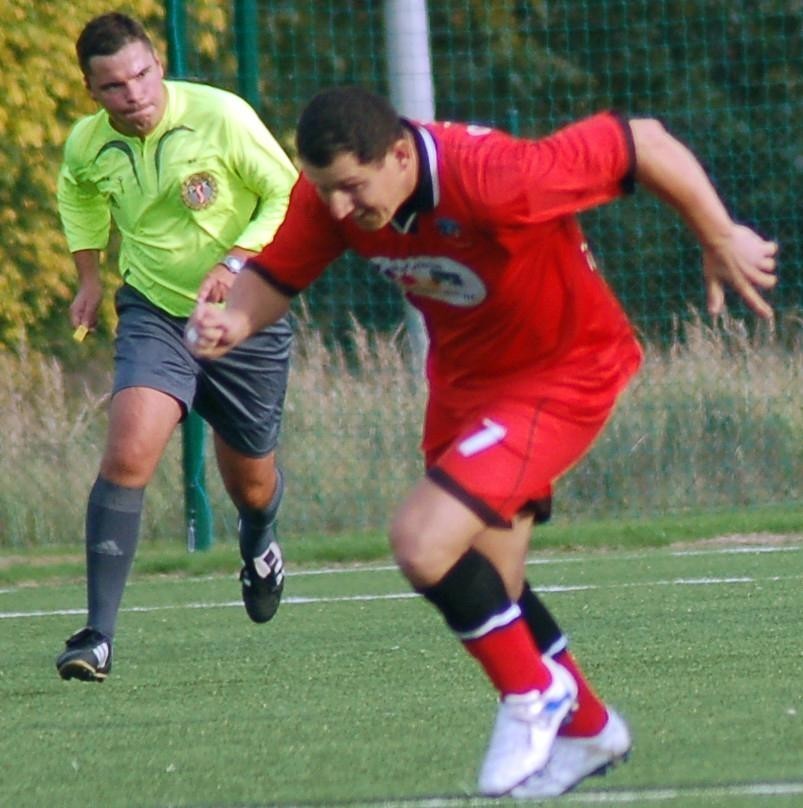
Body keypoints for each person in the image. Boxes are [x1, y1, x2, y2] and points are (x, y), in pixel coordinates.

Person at [185, 86, 777, 797]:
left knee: (421, 540)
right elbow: (276, 277)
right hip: (468, 386)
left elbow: (640, 138)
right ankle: (588, 728)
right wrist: (231, 325)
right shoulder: (335, 198)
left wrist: (717, 234)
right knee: (487, 572)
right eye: (324, 191)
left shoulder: (494, 176)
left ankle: (532, 695)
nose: (338, 208)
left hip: (562, 372)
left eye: (350, 188)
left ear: (401, 155)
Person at [55, 12, 299, 683]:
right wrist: (88, 275)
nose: (133, 93)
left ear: (157, 63)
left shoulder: (222, 116)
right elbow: (78, 195)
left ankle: (259, 545)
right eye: (114, 86)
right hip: (154, 311)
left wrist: (240, 258)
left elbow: (287, 193)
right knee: (129, 448)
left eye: (140, 74)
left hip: (246, 315)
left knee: (251, 484)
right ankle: (97, 636)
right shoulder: (88, 143)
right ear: (92, 91)